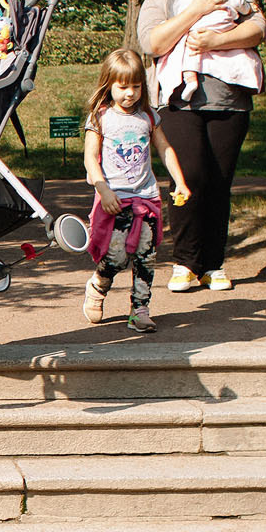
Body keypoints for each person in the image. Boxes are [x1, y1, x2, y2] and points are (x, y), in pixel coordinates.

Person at [136, 0, 266, 293]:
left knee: (218, 182)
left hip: (230, 101)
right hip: (178, 102)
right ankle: (185, 261)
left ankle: (213, 263)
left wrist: (217, 40)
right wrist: (196, 10)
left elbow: (258, 28)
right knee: (188, 175)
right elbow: (153, 43)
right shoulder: (159, 0)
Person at [81, 47, 191, 332]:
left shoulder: (149, 117)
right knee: (116, 256)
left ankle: (140, 308)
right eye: (122, 86)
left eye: (136, 86)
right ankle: (99, 285)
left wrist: (179, 180)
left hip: (146, 196)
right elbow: (90, 157)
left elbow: (164, 148)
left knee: (146, 254)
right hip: (115, 198)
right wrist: (103, 190)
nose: (129, 93)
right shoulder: (100, 117)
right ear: (109, 85)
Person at [156, 0, 262, 109]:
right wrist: (249, 8)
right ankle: (245, 77)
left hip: (196, 26)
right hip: (220, 23)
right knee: (239, 53)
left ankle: (189, 78)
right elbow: (239, 3)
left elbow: (182, 2)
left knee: (190, 48)